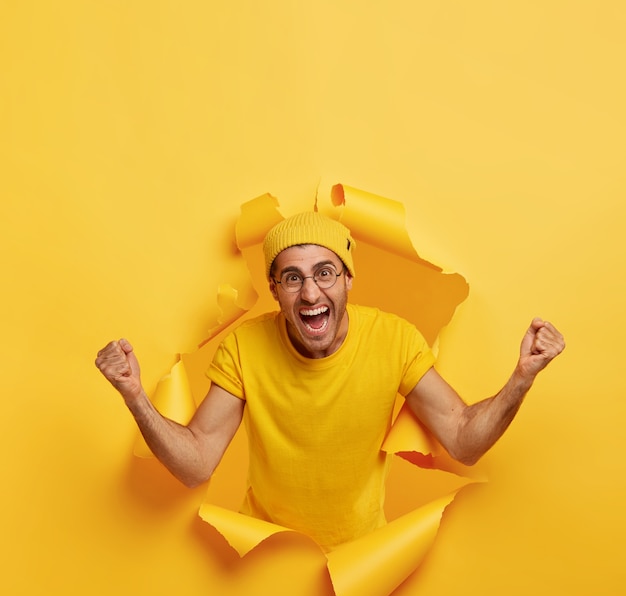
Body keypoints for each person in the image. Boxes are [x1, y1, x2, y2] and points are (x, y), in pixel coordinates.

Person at [95, 211, 565, 551]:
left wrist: (522, 376)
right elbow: (196, 463)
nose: (311, 293)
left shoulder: (394, 338)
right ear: (275, 290)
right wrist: (135, 395)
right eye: (293, 279)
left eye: (325, 273)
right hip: (268, 556)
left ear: (348, 280)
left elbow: (463, 439)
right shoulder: (244, 348)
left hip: (361, 558)